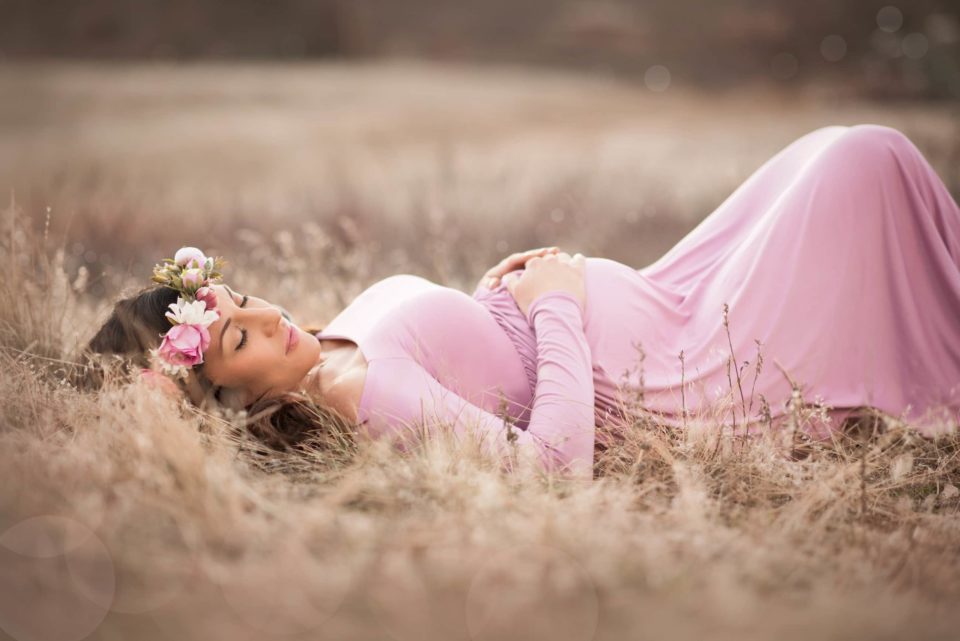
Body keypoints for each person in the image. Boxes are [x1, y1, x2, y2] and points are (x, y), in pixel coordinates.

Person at [88, 124, 960, 480]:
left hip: (664, 298)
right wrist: (551, 305)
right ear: (237, 400)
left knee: (836, 153)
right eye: (241, 336)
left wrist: (488, 295)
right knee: (865, 163)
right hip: (675, 369)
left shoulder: (329, 352)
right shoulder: (362, 393)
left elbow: (473, 368)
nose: (271, 315)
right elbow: (552, 465)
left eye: (242, 298)